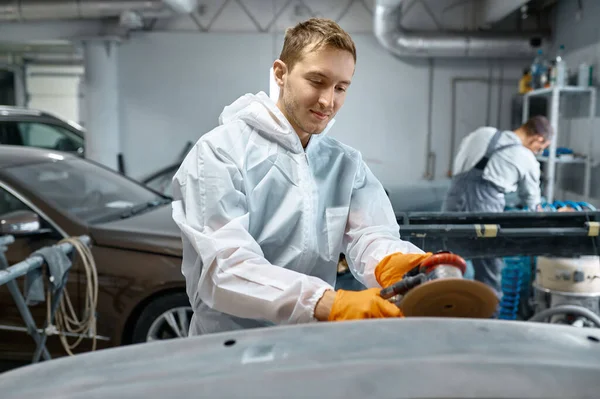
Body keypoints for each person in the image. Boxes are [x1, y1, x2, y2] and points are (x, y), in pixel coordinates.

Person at [171, 17, 433, 335]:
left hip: (307, 341)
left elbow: (370, 235)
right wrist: (325, 303)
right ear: (281, 73)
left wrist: (393, 261)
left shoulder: (343, 163)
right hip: (230, 347)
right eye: (317, 81)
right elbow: (225, 268)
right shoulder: (219, 153)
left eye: (340, 88)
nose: (328, 101)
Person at [442, 116, 553, 297]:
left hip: (453, 199)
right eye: (541, 148)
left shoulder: (481, 133)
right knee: (488, 268)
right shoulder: (526, 158)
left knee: (446, 259)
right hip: (485, 208)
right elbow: (533, 205)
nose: (537, 151)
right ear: (538, 139)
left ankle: (443, 307)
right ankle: (488, 321)